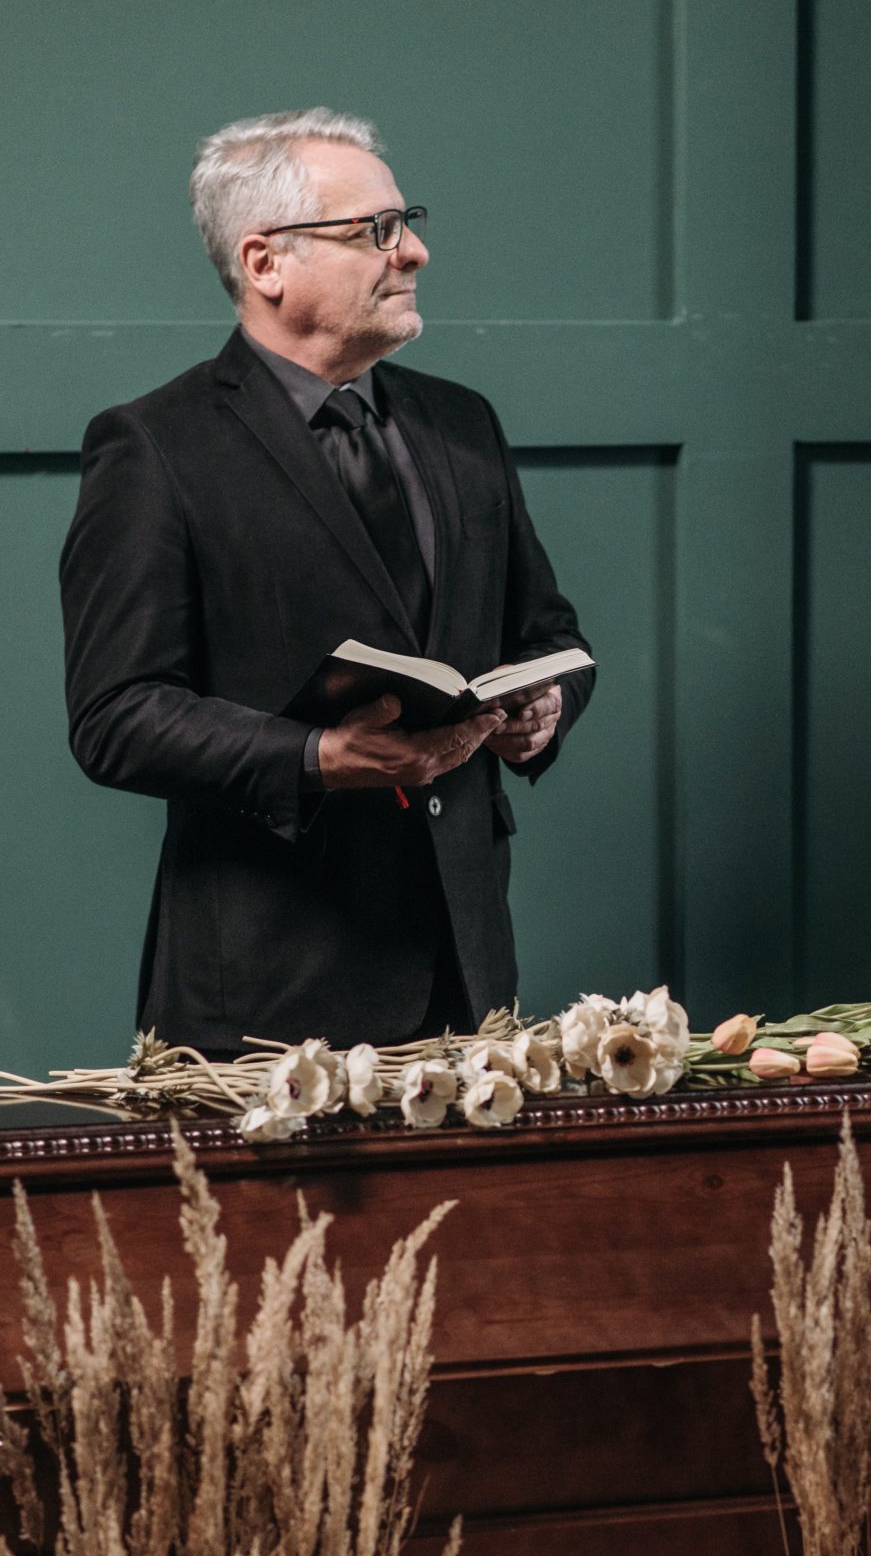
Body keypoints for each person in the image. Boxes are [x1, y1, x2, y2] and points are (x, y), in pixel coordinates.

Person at [61, 108, 593, 1055]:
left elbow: (547, 633)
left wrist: (545, 701)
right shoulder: (154, 445)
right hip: (266, 998)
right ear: (265, 263)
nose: (415, 252)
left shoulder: (462, 421)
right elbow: (116, 715)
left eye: (408, 220)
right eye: (376, 231)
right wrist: (318, 758)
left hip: (469, 979)